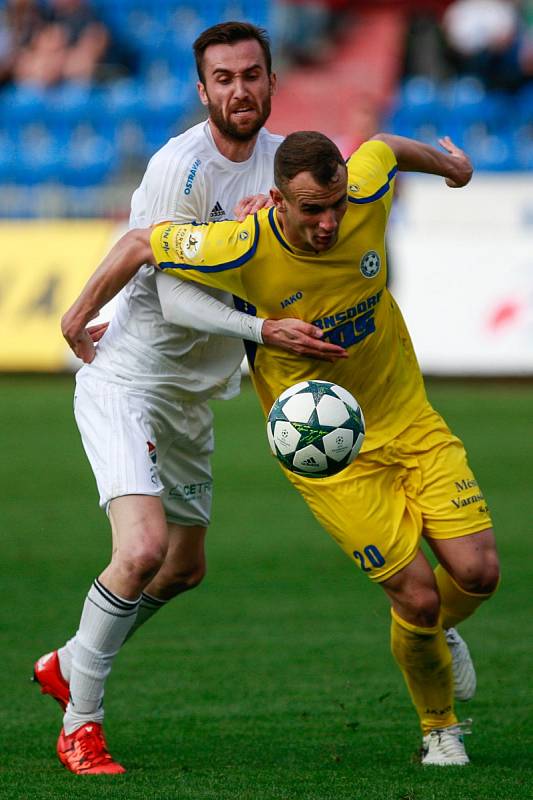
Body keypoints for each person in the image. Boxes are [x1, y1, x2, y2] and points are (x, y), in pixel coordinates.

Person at [63, 130, 500, 767]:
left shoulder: (366, 184)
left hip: (408, 417)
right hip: (330, 450)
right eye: (311, 210)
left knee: (479, 573)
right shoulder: (243, 240)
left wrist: (452, 166)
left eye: (336, 207)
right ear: (277, 201)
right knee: (416, 596)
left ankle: (439, 633)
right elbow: (139, 244)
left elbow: (385, 146)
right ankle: (440, 729)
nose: (328, 223)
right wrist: (78, 314)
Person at [33, 22, 346, 776]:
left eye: (251, 75)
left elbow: (326, 223)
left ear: (272, 82)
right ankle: (82, 725)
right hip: (130, 380)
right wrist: (264, 329)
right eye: (224, 78)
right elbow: (172, 297)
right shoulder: (181, 167)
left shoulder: (286, 164)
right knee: (139, 551)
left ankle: (73, 659)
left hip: (192, 398)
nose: (239, 89)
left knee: (182, 567)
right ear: (202, 90)